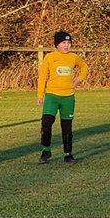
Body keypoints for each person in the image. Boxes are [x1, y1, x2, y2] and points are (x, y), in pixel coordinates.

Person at [36, 30, 88, 165]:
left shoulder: (73, 57)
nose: (67, 46)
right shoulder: (50, 57)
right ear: (57, 44)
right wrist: (40, 95)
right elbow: (43, 77)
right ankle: (46, 150)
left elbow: (84, 67)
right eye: (63, 43)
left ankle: (68, 154)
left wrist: (79, 79)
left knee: (67, 127)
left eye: (69, 43)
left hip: (68, 97)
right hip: (52, 96)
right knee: (46, 122)